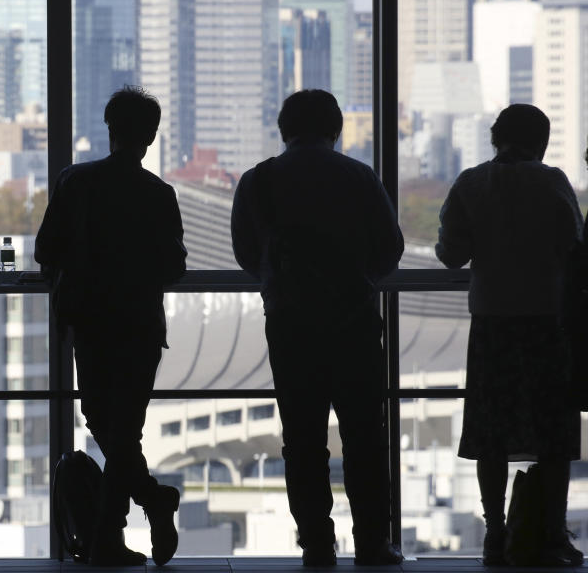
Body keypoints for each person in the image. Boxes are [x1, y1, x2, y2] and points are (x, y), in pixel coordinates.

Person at [231, 90, 404, 566]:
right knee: (366, 437)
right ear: (336, 129)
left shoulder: (259, 181)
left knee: (302, 439)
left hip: (289, 323)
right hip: (354, 322)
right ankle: (372, 542)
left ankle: (316, 544)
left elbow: (246, 253)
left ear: (284, 130)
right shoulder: (358, 177)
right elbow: (389, 249)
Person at [35, 86, 187, 566]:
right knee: (124, 430)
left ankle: (117, 533)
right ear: (150, 136)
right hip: (139, 324)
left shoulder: (75, 183)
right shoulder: (158, 194)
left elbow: (45, 249)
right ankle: (138, 514)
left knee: (106, 424)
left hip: (90, 321)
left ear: (109, 128)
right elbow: (173, 267)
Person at [436, 104, 583, 566]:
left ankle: (495, 531)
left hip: (492, 322)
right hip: (547, 321)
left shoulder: (471, 183)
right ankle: (553, 532)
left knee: (491, 433)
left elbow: (450, 255)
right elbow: (575, 248)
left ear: (495, 140)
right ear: (540, 142)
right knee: (553, 434)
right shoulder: (552, 183)